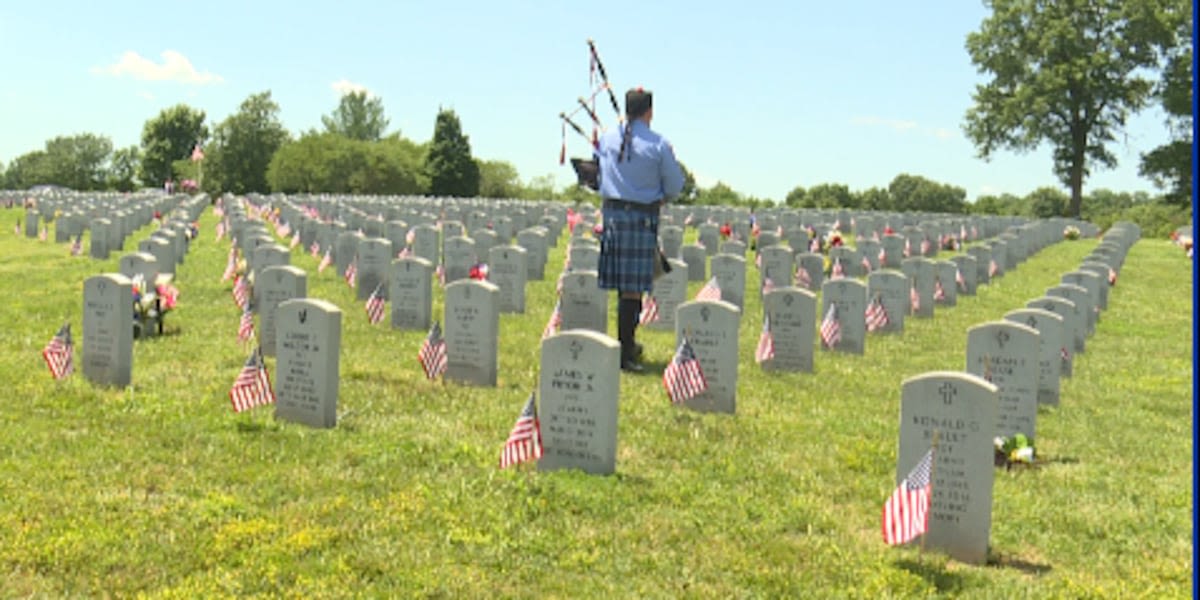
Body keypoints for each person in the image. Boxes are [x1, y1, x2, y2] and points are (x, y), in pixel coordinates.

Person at [595, 87, 685, 372]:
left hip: (612, 216)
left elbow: (596, 172)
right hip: (641, 218)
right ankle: (625, 352)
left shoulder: (607, 137)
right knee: (632, 290)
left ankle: (626, 345)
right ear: (650, 111)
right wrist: (661, 196)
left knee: (625, 289)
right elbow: (675, 186)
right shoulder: (658, 144)